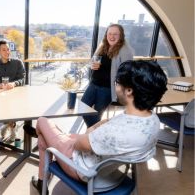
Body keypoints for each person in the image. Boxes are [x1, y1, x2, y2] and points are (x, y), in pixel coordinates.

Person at [31, 60, 167, 195]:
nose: (115, 87)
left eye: (118, 83)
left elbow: (79, 145)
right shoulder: (153, 121)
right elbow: (104, 130)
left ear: (129, 90)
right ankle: (41, 180)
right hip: (113, 174)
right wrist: (98, 127)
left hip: (85, 172)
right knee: (48, 136)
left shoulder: (113, 132)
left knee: (42, 122)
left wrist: (92, 129)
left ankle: (42, 180)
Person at [81, 24, 134, 128]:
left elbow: (127, 72)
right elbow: (93, 61)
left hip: (107, 89)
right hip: (93, 84)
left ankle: (92, 135)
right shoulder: (103, 46)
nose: (112, 36)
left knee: (96, 113)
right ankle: (94, 133)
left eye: (115, 34)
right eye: (109, 33)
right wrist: (92, 65)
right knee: (83, 108)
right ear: (106, 35)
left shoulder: (125, 50)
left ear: (121, 35)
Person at [0, 40, 25, 141]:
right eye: (4, 50)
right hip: (0, 96)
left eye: (8, 49)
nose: (7, 52)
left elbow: (23, 79)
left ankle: (8, 126)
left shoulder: (17, 63)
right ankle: (11, 127)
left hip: (16, 95)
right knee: (4, 107)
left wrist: (14, 83)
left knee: (13, 107)